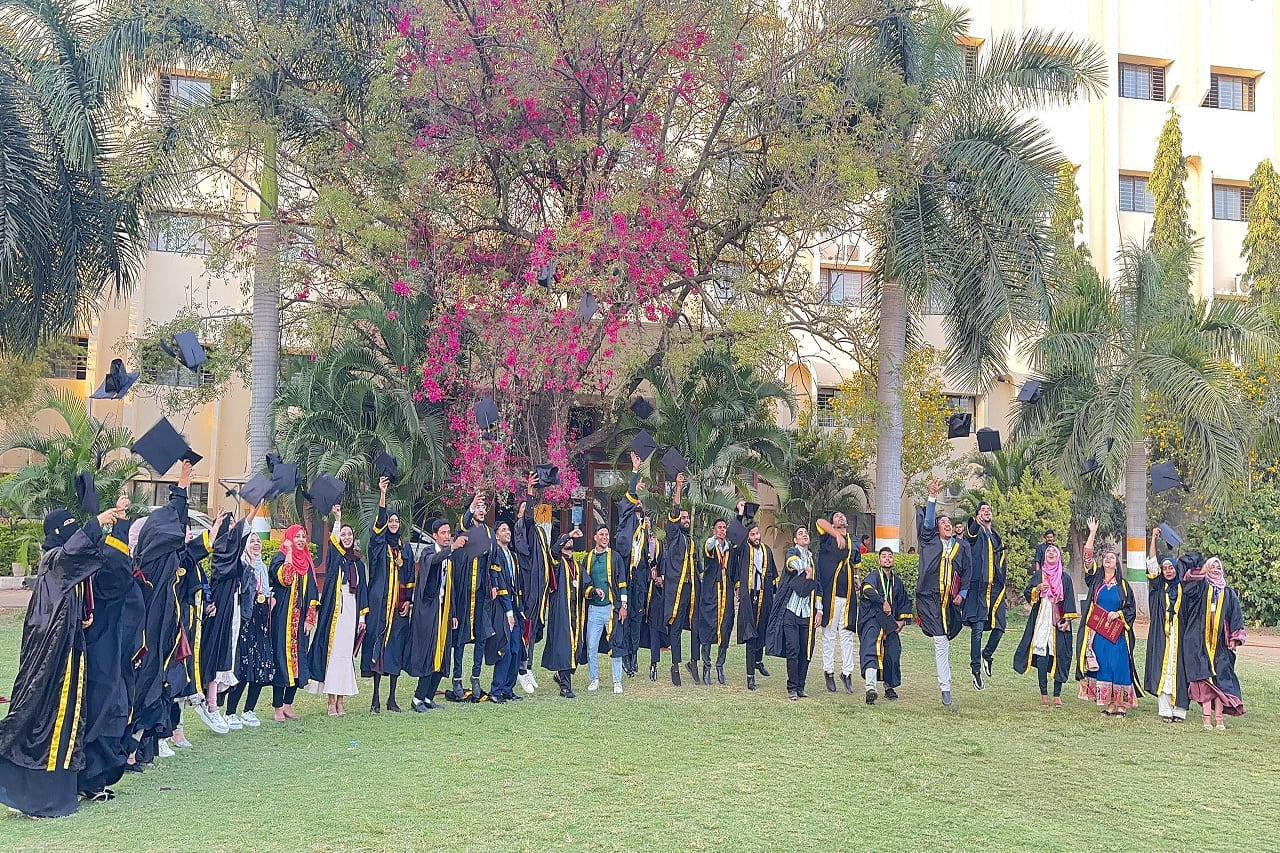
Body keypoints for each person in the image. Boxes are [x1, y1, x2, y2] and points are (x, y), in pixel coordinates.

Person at [0, 503, 122, 817]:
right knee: (42, 719)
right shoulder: (54, 560)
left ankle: (61, 791)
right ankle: (38, 797)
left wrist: (79, 617)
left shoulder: (62, 566)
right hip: (50, 658)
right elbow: (72, 554)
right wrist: (96, 523)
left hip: (65, 654)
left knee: (65, 719)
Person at [131, 462, 212, 756]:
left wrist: (184, 484)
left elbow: (186, 551)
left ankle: (146, 746)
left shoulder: (164, 557)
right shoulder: (151, 561)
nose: (181, 533)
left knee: (163, 685)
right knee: (146, 688)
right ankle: (135, 747)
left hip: (165, 636)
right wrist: (182, 485)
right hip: (148, 638)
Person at [78, 497, 145, 800]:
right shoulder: (108, 583)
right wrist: (119, 528)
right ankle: (91, 782)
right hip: (105, 661)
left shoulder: (88, 578)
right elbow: (117, 567)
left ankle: (90, 781)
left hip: (104, 658)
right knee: (105, 716)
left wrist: (118, 525)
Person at [195, 504, 259, 733]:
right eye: (228, 525)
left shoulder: (232, 552)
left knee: (226, 653)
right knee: (216, 652)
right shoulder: (222, 551)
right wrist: (253, 510)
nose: (233, 528)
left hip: (232, 608)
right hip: (220, 609)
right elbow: (238, 537)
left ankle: (214, 704)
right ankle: (211, 704)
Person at [1075, 517, 1142, 716]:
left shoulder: (1123, 586)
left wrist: (1118, 614)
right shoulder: (1096, 580)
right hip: (1098, 632)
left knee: (1119, 665)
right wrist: (1092, 533)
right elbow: (1088, 558)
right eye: (1105, 557)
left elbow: (1131, 609)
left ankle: (1121, 705)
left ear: (1116, 564)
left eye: (1111, 558)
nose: (1107, 559)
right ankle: (1110, 704)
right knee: (1103, 665)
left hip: (1117, 633)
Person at [306, 507, 368, 716]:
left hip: (351, 612)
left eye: (349, 534)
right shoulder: (336, 559)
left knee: (345, 656)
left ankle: (341, 700)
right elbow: (333, 544)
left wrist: (362, 617)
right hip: (334, 613)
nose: (347, 537)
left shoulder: (358, 564)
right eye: (343, 534)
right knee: (332, 655)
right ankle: (331, 701)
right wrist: (338, 519)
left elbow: (362, 591)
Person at [363, 476, 415, 713]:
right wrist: (383, 494)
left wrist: (409, 602)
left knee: (395, 650)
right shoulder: (379, 545)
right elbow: (378, 527)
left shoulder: (405, 547)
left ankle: (392, 699)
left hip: (399, 609)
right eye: (390, 520)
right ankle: (375, 698)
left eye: (396, 521)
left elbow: (410, 577)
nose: (393, 523)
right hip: (380, 606)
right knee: (378, 649)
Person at [915, 480, 966, 707]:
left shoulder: (959, 548)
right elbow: (928, 523)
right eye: (942, 522)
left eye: (949, 522)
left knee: (945, 638)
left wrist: (963, 592)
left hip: (950, 603)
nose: (947, 524)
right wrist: (932, 497)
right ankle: (945, 687)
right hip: (930, 597)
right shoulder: (929, 541)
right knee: (940, 641)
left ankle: (946, 685)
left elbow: (967, 572)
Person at [1181, 557, 1247, 730]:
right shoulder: (1200, 588)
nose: (1216, 569)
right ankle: (1206, 718)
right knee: (1204, 680)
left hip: (1220, 645)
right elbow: (1187, 586)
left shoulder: (1228, 593)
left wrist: (1234, 638)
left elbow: (1235, 616)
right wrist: (1201, 573)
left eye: (1218, 567)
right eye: (1212, 566)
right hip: (1199, 642)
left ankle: (1219, 719)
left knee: (1220, 682)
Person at [407, 519, 463, 712]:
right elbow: (433, 561)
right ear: (435, 535)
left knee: (443, 653)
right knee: (429, 653)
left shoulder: (449, 557)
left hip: (444, 611)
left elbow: (450, 587)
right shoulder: (428, 552)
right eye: (443, 533)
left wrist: (453, 613)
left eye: (449, 532)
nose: (447, 536)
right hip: (428, 612)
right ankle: (417, 698)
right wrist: (452, 548)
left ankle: (429, 697)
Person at [1012, 543, 1077, 707]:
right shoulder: (1039, 575)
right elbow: (1028, 593)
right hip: (1041, 619)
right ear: (1044, 556)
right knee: (1042, 655)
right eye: (1048, 551)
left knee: (1061, 655)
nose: (1051, 553)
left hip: (1058, 621)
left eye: (1054, 551)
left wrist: (1067, 621)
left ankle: (1057, 695)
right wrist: (1037, 589)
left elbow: (1069, 600)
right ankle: (1044, 694)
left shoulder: (1065, 578)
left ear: (1059, 556)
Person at [223, 532, 274, 728]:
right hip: (245, 620)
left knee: (261, 665)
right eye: (251, 541)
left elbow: (264, 590)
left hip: (260, 620)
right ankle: (230, 712)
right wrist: (250, 565)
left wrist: (270, 599)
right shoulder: (242, 565)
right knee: (244, 667)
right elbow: (244, 588)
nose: (256, 544)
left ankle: (249, 710)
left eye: (258, 541)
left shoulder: (263, 567)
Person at [269, 523, 320, 722]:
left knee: (299, 662)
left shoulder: (307, 562)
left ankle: (288, 704)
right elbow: (286, 578)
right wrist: (289, 553)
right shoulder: (279, 558)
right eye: (296, 536)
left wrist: (310, 618)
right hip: (282, 621)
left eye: (303, 537)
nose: (300, 540)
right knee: (281, 661)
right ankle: (277, 707)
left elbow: (313, 593)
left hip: (300, 625)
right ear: (289, 538)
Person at [765, 526, 821, 700]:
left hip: (807, 613)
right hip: (791, 611)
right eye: (800, 534)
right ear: (796, 540)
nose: (804, 535)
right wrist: (805, 568)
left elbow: (817, 586)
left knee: (806, 651)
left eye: (806, 533)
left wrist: (819, 610)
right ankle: (792, 688)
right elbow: (791, 563)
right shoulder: (792, 552)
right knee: (793, 649)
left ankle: (801, 687)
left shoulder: (812, 559)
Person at [451, 492, 493, 701]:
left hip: (482, 593)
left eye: (483, 507)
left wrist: (493, 584)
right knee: (460, 637)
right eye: (478, 507)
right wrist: (471, 506)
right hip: (463, 592)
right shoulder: (464, 529)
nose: (481, 510)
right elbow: (462, 523)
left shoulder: (488, 532)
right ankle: (457, 678)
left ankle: (475, 677)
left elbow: (493, 561)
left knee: (482, 636)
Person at [653, 472, 695, 686]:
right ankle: (675, 665)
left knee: (696, 626)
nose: (685, 520)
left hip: (691, 590)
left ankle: (694, 662)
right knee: (676, 628)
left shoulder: (691, 541)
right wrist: (678, 487)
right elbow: (675, 510)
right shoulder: (674, 536)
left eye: (687, 518)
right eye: (682, 518)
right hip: (676, 590)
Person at [513, 475, 553, 694]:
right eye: (524, 509)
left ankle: (528, 667)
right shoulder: (522, 528)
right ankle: (521, 669)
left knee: (534, 628)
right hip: (527, 588)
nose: (528, 511)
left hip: (538, 590)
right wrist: (529, 491)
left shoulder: (538, 533)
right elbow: (529, 518)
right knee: (526, 629)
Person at [1143, 528, 1188, 723]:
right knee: (1163, 667)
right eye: (1165, 568)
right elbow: (1152, 563)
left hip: (1181, 635)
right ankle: (1164, 709)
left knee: (1180, 669)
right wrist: (1153, 539)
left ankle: (1180, 710)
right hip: (1161, 634)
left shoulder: (1184, 587)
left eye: (1171, 568)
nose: (1168, 571)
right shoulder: (1158, 586)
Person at [962, 500, 1007, 690]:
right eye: (982, 510)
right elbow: (970, 534)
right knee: (978, 630)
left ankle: (987, 654)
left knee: (1000, 627)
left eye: (988, 509)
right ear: (977, 514)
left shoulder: (995, 536)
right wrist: (975, 522)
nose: (986, 512)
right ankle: (975, 670)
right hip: (979, 589)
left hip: (995, 589)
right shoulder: (976, 532)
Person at [857, 548, 912, 704]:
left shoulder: (897, 582)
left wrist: (902, 621)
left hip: (889, 622)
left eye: (890, 556)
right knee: (870, 650)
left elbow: (904, 602)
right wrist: (882, 602)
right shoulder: (874, 576)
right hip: (872, 618)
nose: (887, 559)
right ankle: (870, 688)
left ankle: (889, 687)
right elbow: (866, 589)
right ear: (879, 560)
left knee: (893, 652)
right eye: (884, 556)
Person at [580, 525, 627, 693]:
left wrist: (623, 606)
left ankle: (617, 681)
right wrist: (593, 591)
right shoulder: (588, 558)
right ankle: (594, 679)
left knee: (616, 645)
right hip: (594, 609)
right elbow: (584, 583)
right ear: (595, 537)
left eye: (607, 534)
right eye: (601, 534)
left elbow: (622, 583)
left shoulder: (615, 557)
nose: (605, 537)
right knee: (591, 646)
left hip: (611, 608)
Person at [614, 453, 649, 679]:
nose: (637, 506)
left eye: (639, 508)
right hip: (625, 577)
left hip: (640, 579)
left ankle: (634, 654)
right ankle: (625, 655)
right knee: (625, 618)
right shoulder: (624, 524)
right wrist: (635, 473)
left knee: (637, 618)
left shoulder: (643, 530)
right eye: (635, 506)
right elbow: (629, 499)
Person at [814, 512, 857, 694]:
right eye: (836, 516)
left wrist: (856, 578)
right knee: (829, 634)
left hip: (848, 595)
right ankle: (829, 671)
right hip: (830, 594)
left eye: (842, 516)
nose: (840, 517)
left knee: (847, 635)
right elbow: (819, 521)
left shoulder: (852, 541)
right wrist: (836, 534)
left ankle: (847, 673)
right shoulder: (828, 537)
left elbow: (854, 563)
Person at [735, 515, 777, 691]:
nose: (756, 537)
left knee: (762, 632)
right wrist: (741, 515)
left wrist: (775, 596)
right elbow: (735, 538)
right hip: (749, 597)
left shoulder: (767, 550)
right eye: (752, 534)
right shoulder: (744, 549)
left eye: (757, 533)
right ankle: (750, 676)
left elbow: (773, 575)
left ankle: (758, 661)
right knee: (750, 635)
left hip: (764, 597)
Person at [542, 532, 585, 698]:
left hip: (576, 613)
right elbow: (553, 551)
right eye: (566, 540)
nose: (570, 541)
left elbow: (586, 584)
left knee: (576, 647)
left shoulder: (576, 565)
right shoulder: (558, 562)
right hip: (561, 611)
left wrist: (593, 591)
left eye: (571, 540)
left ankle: (560, 676)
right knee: (564, 648)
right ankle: (565, 687)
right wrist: (568, 534)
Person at [485, 521, 524, 703]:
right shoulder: (495, 554)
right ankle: (496, 690)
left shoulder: (512, 556)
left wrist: (519, 609)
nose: (508, 532)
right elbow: (498, 581)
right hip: (501, 607)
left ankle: (508, 689)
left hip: (514, 606)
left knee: (516, 648)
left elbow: (517, 582)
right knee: (505, 648)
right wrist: (508, 611)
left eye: (508, 529)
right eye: (503, 530)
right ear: (496, 535)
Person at [695, 518, 734, 686]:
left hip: (726, 593)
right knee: (708, 628)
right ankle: (706, 666)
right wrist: (716, 538)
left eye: (724, 527)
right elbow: (708, 547)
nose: (722, 530)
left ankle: (720, 666)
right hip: (711, 593)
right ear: (714, 530)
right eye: (719, 527)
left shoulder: (730, 548)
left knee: (725, 629)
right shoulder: (711, 545)